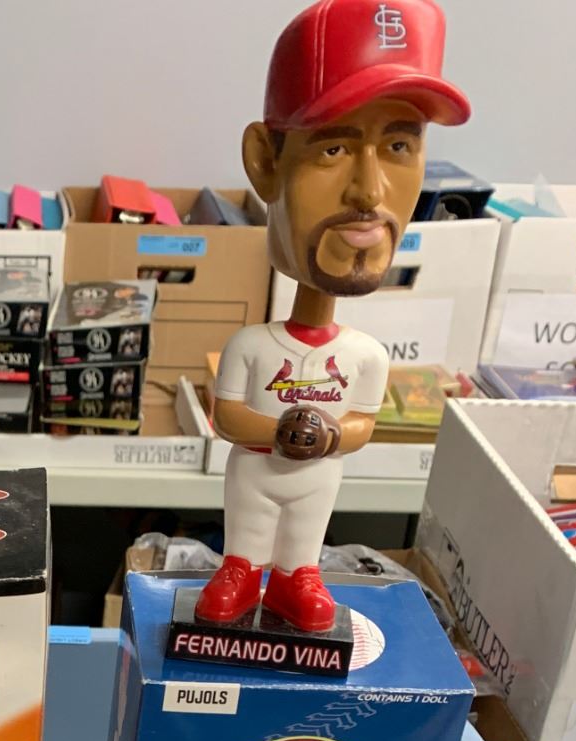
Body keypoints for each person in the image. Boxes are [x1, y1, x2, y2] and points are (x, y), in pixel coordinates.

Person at [197, 0, 469, 633]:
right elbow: (227, 416)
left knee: (304, 538)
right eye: (334, 148)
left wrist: (326, 435)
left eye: (398, 145)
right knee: (248, 533)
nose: (369, 191)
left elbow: (362, 423)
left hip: (316, 480)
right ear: (266, 161)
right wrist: (281, 428)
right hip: (255, 477)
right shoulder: (252, 346)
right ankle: (240, 571)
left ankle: (298, 577)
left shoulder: (364, 356)